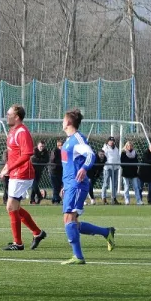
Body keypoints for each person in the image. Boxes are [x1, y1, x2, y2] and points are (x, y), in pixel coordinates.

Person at [60, 108, 116, 265]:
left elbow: (90, 154)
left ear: (69, 122)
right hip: (70, 184)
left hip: (77, 185)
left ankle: (78, 256)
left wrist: (84, 169)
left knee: (69, 218)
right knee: (71, 222)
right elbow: (69, 165)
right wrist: (65, 184)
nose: (62, 122)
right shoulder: (68, 140)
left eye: (63, 119)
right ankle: (106, 232)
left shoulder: (77, 139)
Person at [0, 104, 47, 251]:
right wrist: (6, 167)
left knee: (11, 206)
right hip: (15, 172)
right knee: (15, 207)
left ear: (17, 117)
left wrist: (10, 167)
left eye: (9, 114)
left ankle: (18, 243)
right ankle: (37, 233)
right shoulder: (13, 131)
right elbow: (12, 155)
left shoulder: (22, 132)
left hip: (22, 173)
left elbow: (27, 154)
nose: (7, 116)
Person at [101, 136, 120, 205]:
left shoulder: (116, 149)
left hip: (115, 168)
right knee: (106, 184)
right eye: (110, 141)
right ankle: (104, 198)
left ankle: (114, 198)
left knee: (115, 184)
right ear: (108, 141)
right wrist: (106, 165)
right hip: (108, 168)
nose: (111, 142)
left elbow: (118, 157)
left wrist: (118, 166)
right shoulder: (105, 148)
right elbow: (103, 158)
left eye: (113, 141)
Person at [30, 140, 49, 204]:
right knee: (34, 184)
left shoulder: (45, 151)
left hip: (39, 171)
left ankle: (32, 200)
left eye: (43, 146)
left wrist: (39, 160)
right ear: (37, 146)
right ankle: (39, 195)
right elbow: (33, 159)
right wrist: (41, 160)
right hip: (32, 170)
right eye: (40, 146)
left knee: (35, 186)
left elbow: (46, 160)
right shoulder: (34, 151)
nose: (42, 148)